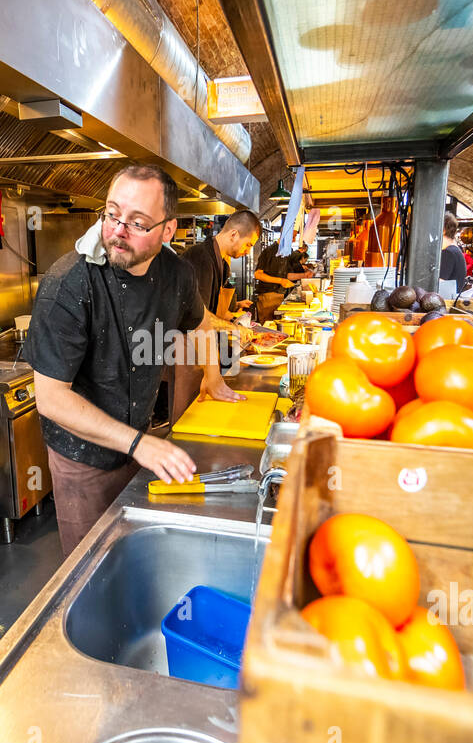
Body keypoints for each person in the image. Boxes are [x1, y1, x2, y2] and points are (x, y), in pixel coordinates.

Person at [24, 164, 241, 554]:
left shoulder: (176, 273)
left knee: (133, 550)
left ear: (167, 230)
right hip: (83, 459)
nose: (118, 230)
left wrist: (213, 376)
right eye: (111, 214)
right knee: (89, 567)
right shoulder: (69, 284)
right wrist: (139, 443)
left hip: (136, 442)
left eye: (138, 223)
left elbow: (201, 322)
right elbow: (52, 398)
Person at [174, 211, 261, 421]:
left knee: (203, 406)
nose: (248, 252)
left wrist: (232, 319)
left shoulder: (222, 263)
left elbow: (214, 310)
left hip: (200, 341)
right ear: (233, 234)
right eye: (248, 245)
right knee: (187, 412)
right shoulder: (201, 258)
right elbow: (198, 315)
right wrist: (234, 328)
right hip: (182, 342)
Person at [253, 237, 312, 322]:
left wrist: (304, 275)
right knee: (268, 328)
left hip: (279, 295)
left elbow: (286, 275)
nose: (294, 240)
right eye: (293, 236)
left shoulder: (285, 252)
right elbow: (258, 274)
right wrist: (281, 281)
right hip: (268, 296)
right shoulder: (270, 251)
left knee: (275, 328)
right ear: (285, 233)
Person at [440, 212, 467, 286]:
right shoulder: (455, 250)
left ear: (443, 230)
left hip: (446, 297)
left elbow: (439, 284)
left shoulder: (448, 253)